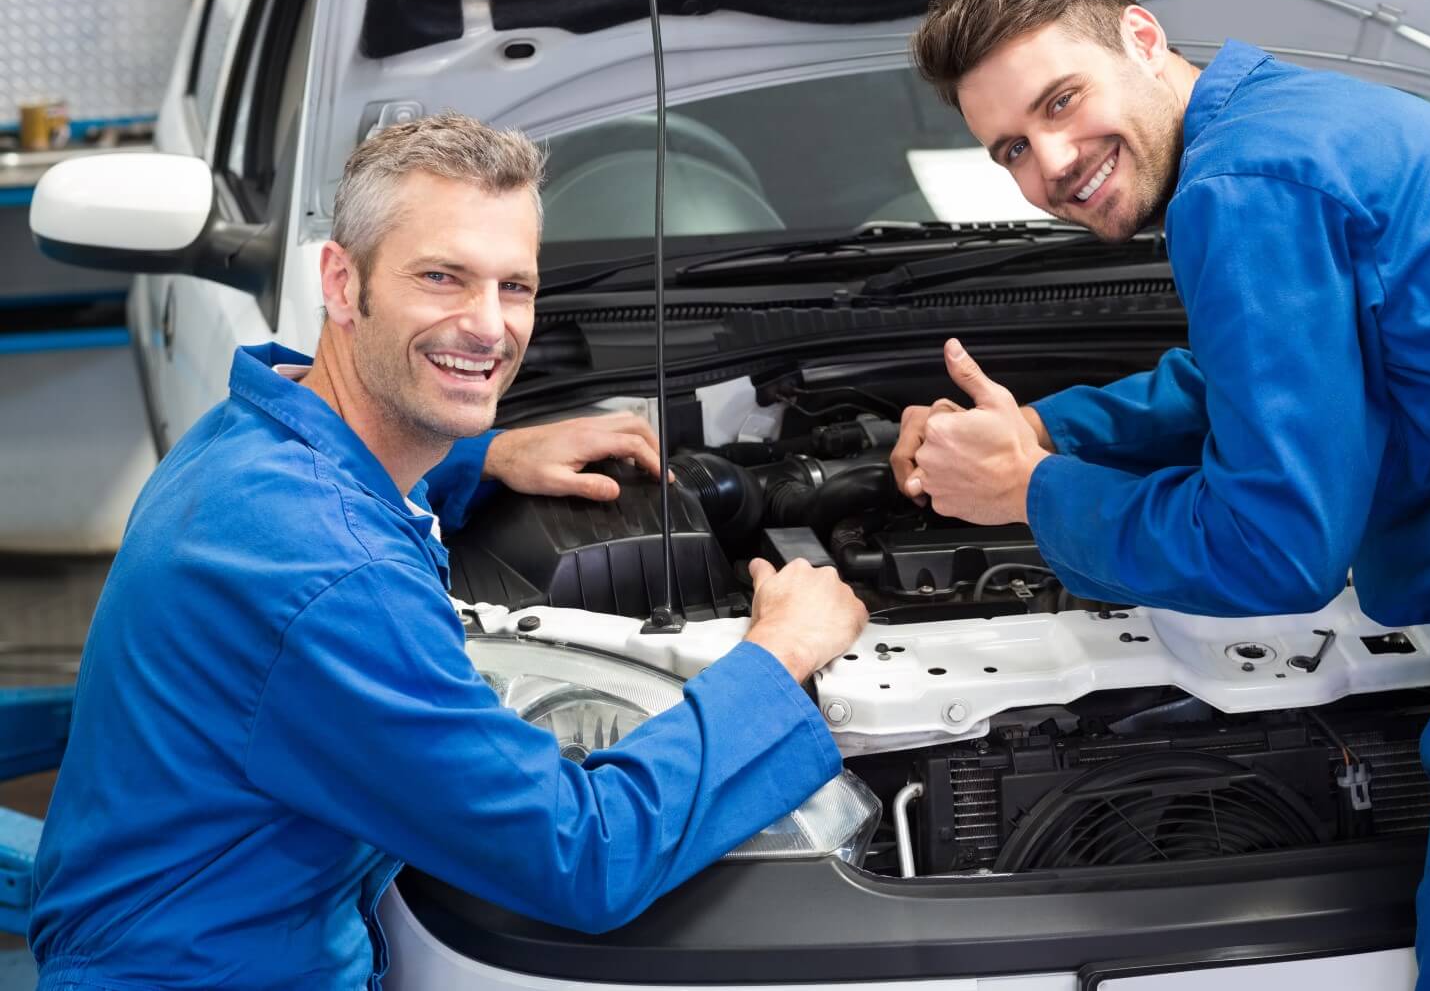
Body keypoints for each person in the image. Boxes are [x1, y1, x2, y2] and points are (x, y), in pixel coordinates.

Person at [890, 0, 1430, 990]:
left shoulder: (1241, 184)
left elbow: (1272, 545)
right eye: (1005, 148)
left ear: (1140, 37)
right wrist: (1051, 429)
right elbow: (1258, 371)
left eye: (1056, 103)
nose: (1045, 165)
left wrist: (1031, 494)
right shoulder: (1297, 123)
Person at [29, 111, 868, 989]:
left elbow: (353, 468)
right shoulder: (331, 576)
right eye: (443, 277)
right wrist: (774, 661)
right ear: (342, 283)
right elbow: (581, 853)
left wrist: (487, 454)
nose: (489, 325)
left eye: (516, 286)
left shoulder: (255, 432)